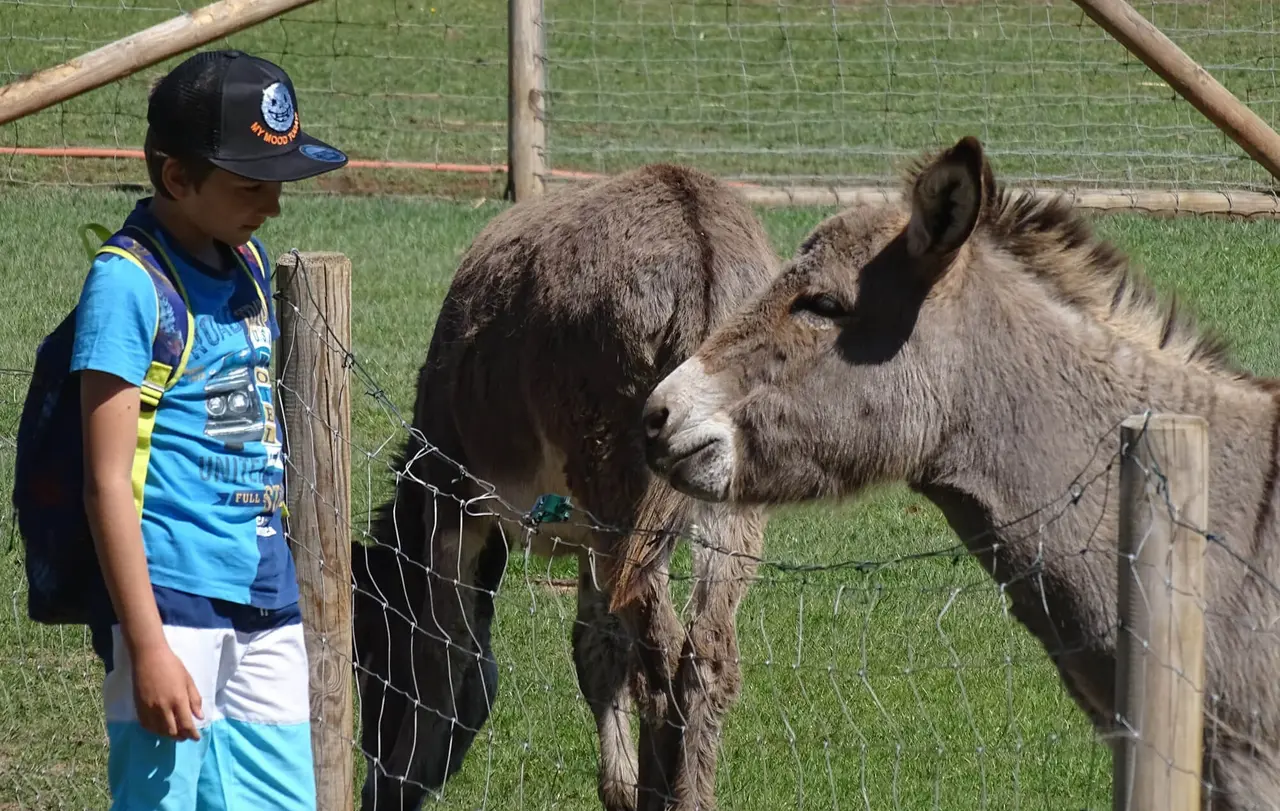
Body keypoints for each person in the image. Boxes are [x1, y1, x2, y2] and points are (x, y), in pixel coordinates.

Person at [72, 48, 347, 809]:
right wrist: (150, 644)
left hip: (265, 596)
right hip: (172, 598)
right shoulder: (129, 283)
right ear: (176, 178)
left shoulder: (248, 260)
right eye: (251, 185)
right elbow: (105, 481)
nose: (274, 205)